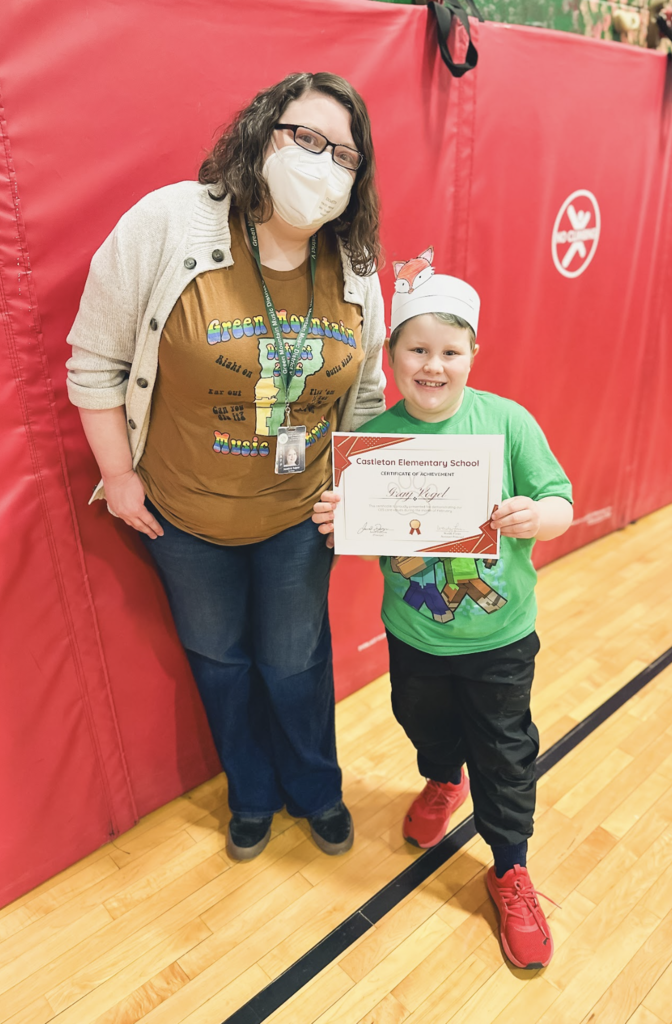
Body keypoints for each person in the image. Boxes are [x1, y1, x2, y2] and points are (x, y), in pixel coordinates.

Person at [66, 72, 387, 862]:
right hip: (182, 516)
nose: (322, 164)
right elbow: (94, 363)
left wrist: (359, 490)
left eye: (343, 154)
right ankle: (249, 793)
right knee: (219, 661)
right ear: (261, 132)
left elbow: (370, 391)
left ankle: (315, 790)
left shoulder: (354, 263)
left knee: (296, 661)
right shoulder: (170, 222)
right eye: (305, 139)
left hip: (296, 516)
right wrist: (120, 474)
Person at [312, 261, 573, 969]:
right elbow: (352, 534)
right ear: (391, 355)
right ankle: (440, 777)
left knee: (505, 750)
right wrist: (337, 515)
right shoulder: (372, 439)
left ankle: (510, 867)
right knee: (421, 722)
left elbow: (560, 501)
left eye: (449, 351)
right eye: (416, 350)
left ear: (472, 356)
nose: (432, 365)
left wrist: (534, 517)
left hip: (499, 636)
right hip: (416, 633)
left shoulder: (506, 421)